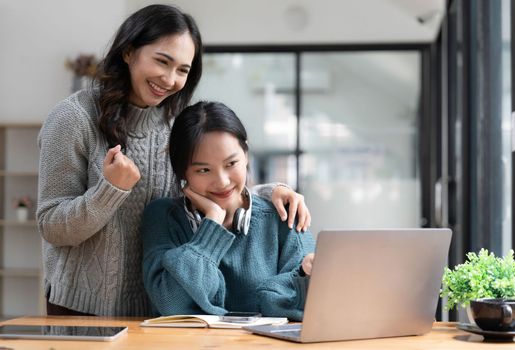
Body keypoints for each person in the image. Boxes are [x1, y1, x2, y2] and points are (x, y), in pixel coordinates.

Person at [37, 4, 311, 317]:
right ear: (128, 52)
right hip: (84, 307)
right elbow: (51, 226)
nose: (170, 79)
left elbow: (204, 183)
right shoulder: (72, 119)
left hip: (162, 307)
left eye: (183, 70)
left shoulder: (177, 124)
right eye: (162, 61)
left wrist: (268, 191)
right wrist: (109, 189)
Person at [142, 101, 316, 321]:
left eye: (231, 163)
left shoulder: (284, 213)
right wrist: (211, 227)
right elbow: (170, 303)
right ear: (182, 171)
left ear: (246, 154)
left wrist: (303, 277)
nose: (222, 182)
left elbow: (299, 305)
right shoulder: (163, 217)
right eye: (204, 170)